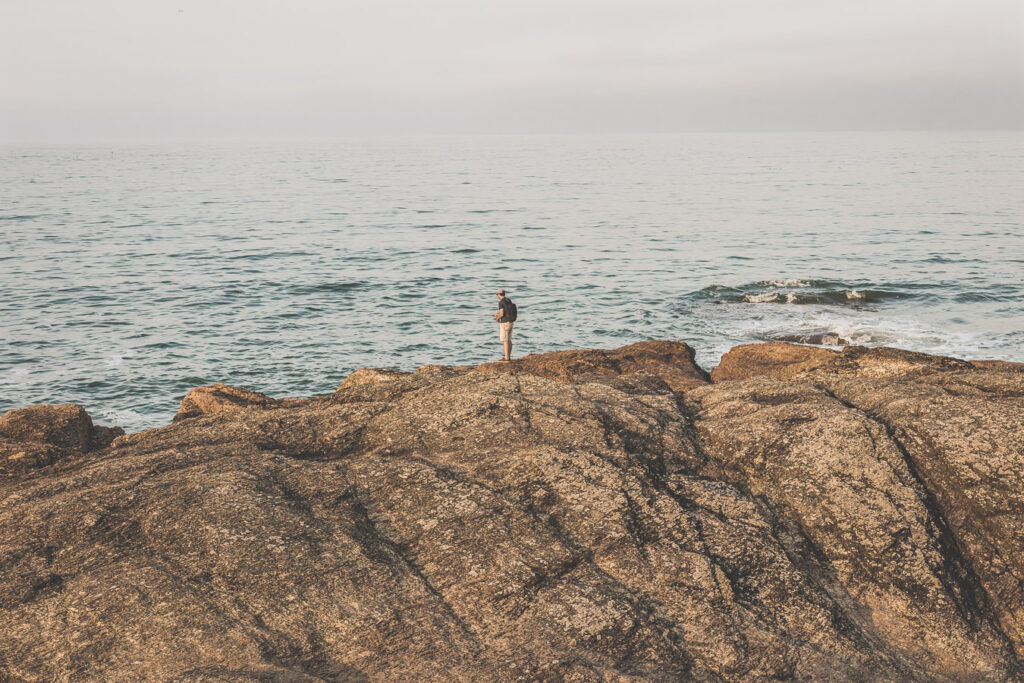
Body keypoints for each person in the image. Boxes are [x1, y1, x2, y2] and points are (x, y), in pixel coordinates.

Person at [493, 288, 515, 361]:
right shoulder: (508, 300)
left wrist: (497, 318)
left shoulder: (501, 302)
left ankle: (506, 358)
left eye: (497, 294)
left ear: (499, 294)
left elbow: (502, 314)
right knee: (508, 339)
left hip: (505, 323)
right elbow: (506, 312)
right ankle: (508, 356)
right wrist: (498, 315)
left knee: (505, 340)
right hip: (510, 322)